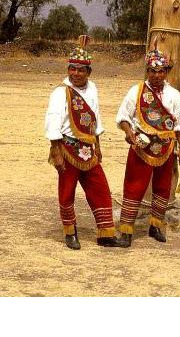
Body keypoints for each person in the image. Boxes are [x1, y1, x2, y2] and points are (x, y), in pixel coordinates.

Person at [44, 35, 121, 250]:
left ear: (89, 72)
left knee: (100, 189)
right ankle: (70, 232)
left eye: (81, 70)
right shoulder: (60, 92)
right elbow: (53, 121)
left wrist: (98, 146)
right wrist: (56, 152)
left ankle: (105, 233)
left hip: (88, 149)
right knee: (67, 191)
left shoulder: (92, 88)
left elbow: (95, 117)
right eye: (72, 68)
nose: (75, 73)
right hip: (67, 148)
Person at [115, 39, 180, 248]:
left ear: (166, 72)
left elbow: (179, 125)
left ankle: (156, 226)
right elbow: (123, 117)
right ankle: (126, 230)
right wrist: (129, 132)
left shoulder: (174, 95)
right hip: (142, 147)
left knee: (162, 187)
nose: (157, 75)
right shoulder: (136, 91)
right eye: (153, 71)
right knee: (134, 186)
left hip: (166, 147)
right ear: (147, 71)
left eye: (161, 71)